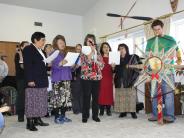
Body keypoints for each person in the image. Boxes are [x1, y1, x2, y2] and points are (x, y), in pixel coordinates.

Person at [146, 20, 182, 123]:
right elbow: (148, 55)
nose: (157, 32)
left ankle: (169, 116)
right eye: (154, 30)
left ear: (163, 28)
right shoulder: (150, 41)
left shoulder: (170, 39)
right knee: (154, 93)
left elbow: (176, 52)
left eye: (159, 29)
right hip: (154, 71)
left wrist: (172, 59)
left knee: (168, 94)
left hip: (167, 71)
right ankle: (155, 114)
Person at [23, 32, 49, 131]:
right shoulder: (28, 49)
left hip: (42, 79)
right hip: (33, 80)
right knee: (32, 102)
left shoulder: (41, 51)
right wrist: (30, 80)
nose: (44, 42)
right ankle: (29, 123)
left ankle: (37, 119)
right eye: (42, 40)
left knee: (40, 101)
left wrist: (48, 63)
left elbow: (42, 65)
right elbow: (28, 65)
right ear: (35, 40)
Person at [80, 34, 104, 123]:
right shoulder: (83, 51)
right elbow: (87, 60)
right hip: (86, 77)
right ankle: (85, 116)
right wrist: (92, 51)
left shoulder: (98, 52)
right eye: (88, 40)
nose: (90, 42)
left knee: (96, 98)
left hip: (97, 77)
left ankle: (95, 115)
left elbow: (102, 64)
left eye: (92, 40)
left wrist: (99, 62)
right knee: (86, 97)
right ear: (85, 42)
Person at [114, 43, 141, 119]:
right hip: (119, 79)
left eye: (122, 48)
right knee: (121, 95)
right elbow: (114, 71)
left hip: (130, 79)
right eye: (119, 49)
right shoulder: (116, 59)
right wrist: (113, 67)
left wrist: (130, 67)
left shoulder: (131, 57)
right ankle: (123, 112)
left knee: (131, 96)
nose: (121, 50)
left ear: (126, 49)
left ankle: (133, 112)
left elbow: (138, 67)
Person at [50, 35, 72, 124]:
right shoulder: (53, 53)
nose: (62, 44)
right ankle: (56, 117)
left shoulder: (66, 54)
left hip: (67, 78)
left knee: (65, 100)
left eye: (63, 42)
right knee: (57, 100)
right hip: (58, 79)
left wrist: (74, 65)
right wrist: (61, 63)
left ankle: (63, 116)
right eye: (60, 42)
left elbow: (69, 68)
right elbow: (53, 65)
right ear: (56, 44)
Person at [14, 41, 29, 122]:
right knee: (21, 97)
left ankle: (28, 114)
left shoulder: (29, 55)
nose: (28, 47)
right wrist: (20, 54)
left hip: (28, 78)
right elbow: (22, 66)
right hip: (21, 78)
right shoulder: (18, 54)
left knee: (28, 97)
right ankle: (20, 115)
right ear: (22, 47)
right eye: (26, 46)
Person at [98, 42, 114, 116]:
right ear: (101, 49)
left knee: (109, 94)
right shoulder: (99, 57)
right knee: (101, 94)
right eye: (104, 47)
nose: (106, 48)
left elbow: (114, 70)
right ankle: (101, 110)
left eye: (107, 47)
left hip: (109, 77)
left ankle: (108, 110)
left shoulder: (113, 57)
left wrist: (113, 67)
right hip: (101, 78)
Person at [71, 44, 83, 114]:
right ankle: (76, 109)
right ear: (75, 50)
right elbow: (70, 69)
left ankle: (82, 109)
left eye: (80, 49)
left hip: (83, 77)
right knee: (75, 94)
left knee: (82, 93)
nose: (79, 50)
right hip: (75, 77)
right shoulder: (72, 57)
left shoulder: (84, 57)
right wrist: (75, 67)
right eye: (78, 49)